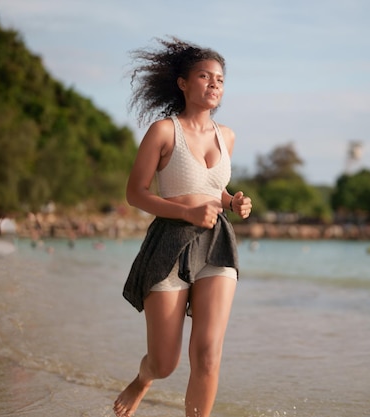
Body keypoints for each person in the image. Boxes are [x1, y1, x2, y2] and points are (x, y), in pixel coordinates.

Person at [113, 37, 252, 417]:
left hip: (217, 244)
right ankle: (143, 378)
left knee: (208, 352)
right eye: (205, 77)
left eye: (220, 80)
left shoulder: (228, 136)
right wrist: (187, 214)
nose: (214, 85)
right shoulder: (163, 131)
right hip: (169, 243)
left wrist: (233, 202)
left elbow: (213, 187)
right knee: (165, 362)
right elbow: (135, 194)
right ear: (183, 84)